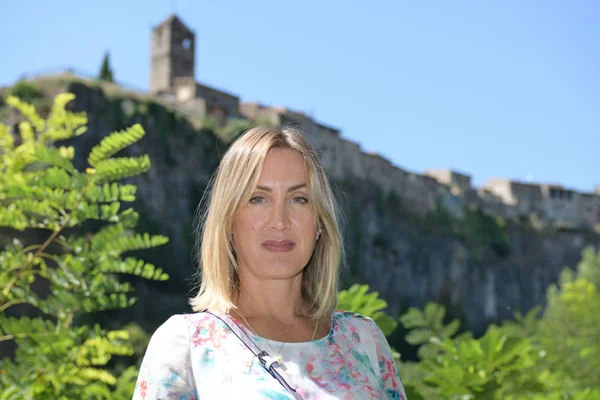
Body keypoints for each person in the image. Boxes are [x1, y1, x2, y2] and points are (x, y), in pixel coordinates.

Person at [132, 126, 407, 399]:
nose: (279, 221)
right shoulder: (185, 346)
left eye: (299, 199)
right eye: (258, 198)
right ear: (228, 221)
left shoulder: (363, 340)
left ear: (320, 223)